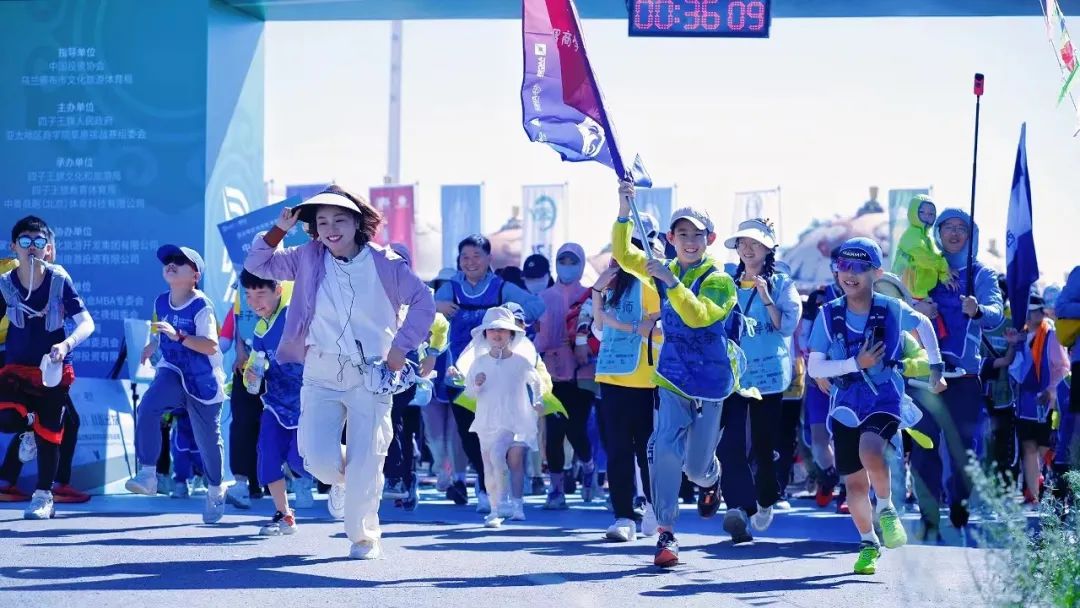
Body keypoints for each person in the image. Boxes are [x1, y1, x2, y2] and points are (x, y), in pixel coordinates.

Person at [244, 185, 435, 560]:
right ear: (313, 228)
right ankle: (346, 483)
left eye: (340, 219)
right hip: (321, 371)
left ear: (358, 222)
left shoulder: (387, 262)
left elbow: (423, 303)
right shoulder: (307, 256)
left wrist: (399, 350)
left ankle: (364, 537)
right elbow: (258, 264)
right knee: (316, 459)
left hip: (373, 373)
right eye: (322, 221)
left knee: (368, 458)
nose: (331, 228)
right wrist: (279, 230)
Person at [613, 182, 738, 568]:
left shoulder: (720, 280)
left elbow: (698, 316)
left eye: (696, 235)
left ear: (709, 239)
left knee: (696, 468)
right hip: (671, 377)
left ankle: (711, 480)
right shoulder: (662, 268)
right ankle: (666, 533)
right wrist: (623, 208)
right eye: (681, 234)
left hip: (713, 380)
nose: (688, 240)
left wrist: (672, 283)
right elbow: (623, 254)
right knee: (664, 447)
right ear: (670, 238)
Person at [807, 237, 946, 575]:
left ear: (876, 271)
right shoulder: (829, 314)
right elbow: (814, 368)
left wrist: (936, 366)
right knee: (854, 486)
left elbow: (924, 325)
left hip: (884, 397)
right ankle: (868, 542)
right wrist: (856, 362)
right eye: (844, 266)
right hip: (844, 406)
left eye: (859, 267)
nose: (850, 274)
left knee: (872, 450)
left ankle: (886, 508)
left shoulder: (891, 307)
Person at [909, 208, 1004, 536]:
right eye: (946, 226)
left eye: (960, 227)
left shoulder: (981, 274)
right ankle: (929, 512)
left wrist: (978, 309)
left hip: (964, 377)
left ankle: (959, 502)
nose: (952, 232)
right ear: (937, 232)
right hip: (924, 373)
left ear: (970, 233)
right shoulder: (923, 267)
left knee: (964, 451)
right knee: (923, 447)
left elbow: (996, 316)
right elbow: (900, 304)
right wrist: (915, 307)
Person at [435, 235, 544, 514]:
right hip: (458, 370)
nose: (470, 262)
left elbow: (536, 307)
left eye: (476, 256)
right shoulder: (450, 288)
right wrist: (438, 308)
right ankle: (485, 484)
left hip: (497, 371)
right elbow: (424, 314)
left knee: (494, 431)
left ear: (488, 259)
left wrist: (512, 316)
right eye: (465, 257)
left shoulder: (501, 288)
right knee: (467, 431)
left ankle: (494, 488)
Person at [0, 216, 95, 519]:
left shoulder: (59, 281)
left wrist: (65, 345)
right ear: (14, 246)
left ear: (49, 249)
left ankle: (43, 496)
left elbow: (86, 323)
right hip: (16, 369)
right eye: (25, 242)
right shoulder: (4, 284)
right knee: (6, 417)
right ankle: (27, 426)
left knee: (51, 433)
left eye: (38, 242)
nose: (31, 248)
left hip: (52, 371)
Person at [125, 244, 227, 523]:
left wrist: (179, 336)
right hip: (172, 371)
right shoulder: (160, 301)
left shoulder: (201, 305)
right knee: (148, 407)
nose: (171, 264)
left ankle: (216, 488)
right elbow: (160, 330)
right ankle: (148, 474)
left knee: (208, 442)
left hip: (201, 379)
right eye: (168, 260)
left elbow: (209, 346)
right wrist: (151, 345)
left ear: (195, 275)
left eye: (180, 261)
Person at [717, 219, 802, 542]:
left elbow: (786, 328)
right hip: (735, 375)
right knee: (730, 444)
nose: (747, 249)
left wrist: (766, 297)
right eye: (742, 243)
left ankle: (766, 499)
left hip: (768, 376)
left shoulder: (782, 284)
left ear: (769, 248)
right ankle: (739, 508)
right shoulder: (726, 282)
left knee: (764, 447)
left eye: (754, 243)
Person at [591, 212, 664, 542]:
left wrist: (627, 326)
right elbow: (598, 327)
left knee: (648, 450)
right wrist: (597, 289)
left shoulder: (655, 282)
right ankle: (623, 515)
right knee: (617, 449)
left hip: (647, 381)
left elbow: (660, 330)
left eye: (637, 247)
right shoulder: (613, 284)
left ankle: (653, 506)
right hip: (612, 378)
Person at [237, 269, 312, 535]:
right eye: (249, 295)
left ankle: (345, 482)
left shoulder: (294, 315)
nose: (255, 301)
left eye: (261, 293)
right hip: (275, 404)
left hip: (307, 404)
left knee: (300, 460)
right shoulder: (259, 330)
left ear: (278, 290)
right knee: (267, 456)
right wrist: (253, 375)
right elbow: (255, 371)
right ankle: (284, 515)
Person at [454, 307, 544, 527]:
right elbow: (468, 393)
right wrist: (476, 384)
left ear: (512, 334)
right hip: (486, 420)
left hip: (513, 419)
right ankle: (496, 509)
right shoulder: (479, 363)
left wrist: (538, 401)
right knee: (489, 465)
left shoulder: (521, 361)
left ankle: (510, 503)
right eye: (492, 330)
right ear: (485, 334)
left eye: (503, 330)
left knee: (500, 456)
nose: (497, 334)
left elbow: (536, 381)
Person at [218, 275, 294, 508]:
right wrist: (242, 354)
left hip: (289, 375)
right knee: (244, 424)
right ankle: (243, 483)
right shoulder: (244, 289)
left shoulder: (287, 285)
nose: (254, 299)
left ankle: (299, 481)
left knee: (289, 429)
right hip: (252, 364)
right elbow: (239, 321)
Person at [536, 243, 599, 509]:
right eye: (562, 260)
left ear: (582, 263)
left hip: (584, 371)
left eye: (573, 260)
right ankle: (556, 489)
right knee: (554, 431)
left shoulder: (591, 294)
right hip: (552, 373)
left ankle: (588, 466)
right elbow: (537, 334)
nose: (567, 265)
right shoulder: (543, 296)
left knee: (576, 428)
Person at [382, 243, 435, 512]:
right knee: (388, 420)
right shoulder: (371, 289)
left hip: (407, 368)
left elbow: (440, 324)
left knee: (391, 417)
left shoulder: (418, 292)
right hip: (376, 365)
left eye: (398, 262)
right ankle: (401, 475)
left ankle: (396, 477)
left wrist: (433, 353)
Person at [1009, 294, 1070, 508]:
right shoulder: (1022, 336)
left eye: (1034, 311)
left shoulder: (1051, 335)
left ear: (1041, 312)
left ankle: (1055, 493)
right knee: (1028, 447)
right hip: (1025, 403)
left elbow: (1063, 368)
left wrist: (1052, 391)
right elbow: (1015, 368)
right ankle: (1033, 495)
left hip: (1046, 404)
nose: (1030, 315)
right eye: (1027, 311)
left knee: (1046, 451)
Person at [424, 267, 469, 505]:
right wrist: (434, 307)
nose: (445, 293)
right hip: (432, 374)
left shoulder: (465, 312)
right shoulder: (427, 312)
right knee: (434, 431)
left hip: (456, 375)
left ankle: (454, 476)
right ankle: (442, 466)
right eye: (440, 286)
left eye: (448, 287)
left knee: (455, 429)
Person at [892, 195, 953, 300]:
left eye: (931, 214)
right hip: (908, 295)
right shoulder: (910, 236)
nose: (927, 216)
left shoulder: (928, 238)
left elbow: (936, 257)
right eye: (922, 212)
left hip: (924, 294)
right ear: (913, 213)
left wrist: (944, 276)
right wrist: (945, 268)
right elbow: (925, 259)